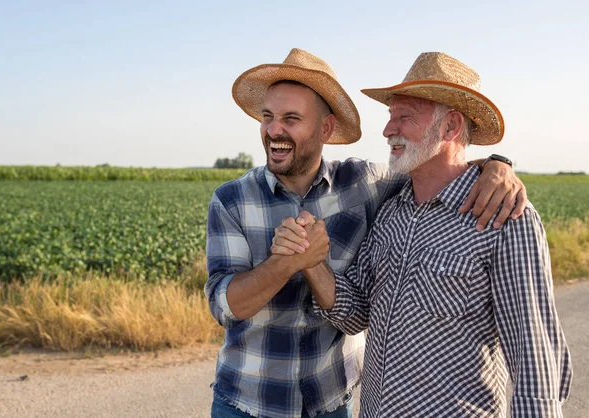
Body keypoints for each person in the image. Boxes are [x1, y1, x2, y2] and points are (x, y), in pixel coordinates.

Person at [206, 48, 527, 418]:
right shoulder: (231, 200)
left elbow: (436, 166)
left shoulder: (364, 185)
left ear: (325, 129)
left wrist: (495, 166)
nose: (274, 130)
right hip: (248, 402)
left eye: (291, 119)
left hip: (332, 401)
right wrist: (287, 263)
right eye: (268, 117)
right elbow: (226, 307)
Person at [272, 52, 573, 417]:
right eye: (390, 116)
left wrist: (498, 165)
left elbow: (536, 362)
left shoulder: (505, 219)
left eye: (405, 117)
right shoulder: (391, 212)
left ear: (450, 127)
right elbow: (359, 314)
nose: (387, 130)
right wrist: (311, 262)